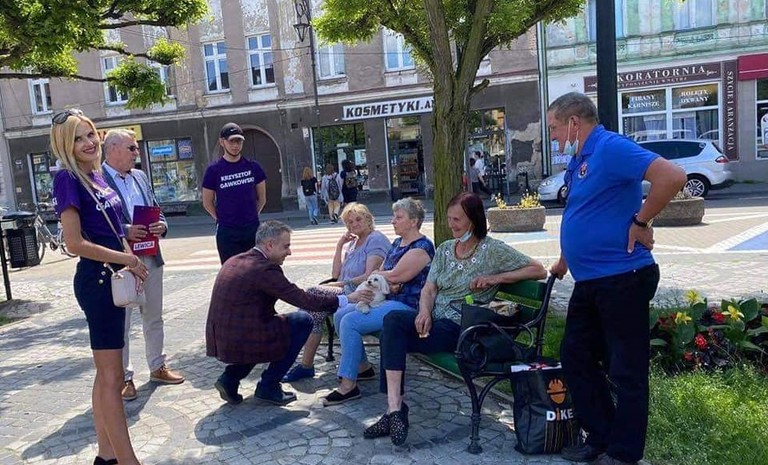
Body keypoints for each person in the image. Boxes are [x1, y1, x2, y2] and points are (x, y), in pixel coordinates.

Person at [547, 92, 686, 465]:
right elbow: (585, 210)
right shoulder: (580, 159)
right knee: (575, 356)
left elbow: (672, 176)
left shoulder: (609, 147)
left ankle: (624, 454)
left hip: (623, 277)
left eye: (555, 128)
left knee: (626, 369)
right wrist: (565, 258)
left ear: (574, 122)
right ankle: (600, 436)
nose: (553, 136)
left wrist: (641, 221)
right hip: (591, 280)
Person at [363, 192, 546, 445]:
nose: (451, 225)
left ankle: (393, 414)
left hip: (461, 329)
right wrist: (424, 311)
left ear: (473, 219)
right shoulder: (446, 249)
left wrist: (495, 278)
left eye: (457, 219)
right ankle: (395, 410)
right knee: (392, 323)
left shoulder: (491, 250)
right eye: (449, 219)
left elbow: (538, 269)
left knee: (392, 334)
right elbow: (429, 288)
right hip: (435, 322)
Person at [50, 109, 149, 465]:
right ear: (65, 144)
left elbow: (107, 226)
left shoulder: (95, 176)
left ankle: (106, 456)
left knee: (106, 375)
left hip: (111, 277)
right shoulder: (68, 179)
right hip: (98, 279)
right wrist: (128, 260)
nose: (88, 142)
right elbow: (74, 243)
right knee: (113, 376)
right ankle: (127, 460)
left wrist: (128, 238)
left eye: (90, 134)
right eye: (78, 138)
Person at [205, 220, 373, 406]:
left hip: (222, 337)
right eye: (286, 246)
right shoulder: (264, 269)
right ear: (269, 245)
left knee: (271, 326)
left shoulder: (235, 260)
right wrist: (346, 298)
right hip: (243, 337)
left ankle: (230, 379)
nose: (289, 252)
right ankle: (269, 385)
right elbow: (303, 299)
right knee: (302, 320)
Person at [321, 197, 435, 406]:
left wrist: (386, 277)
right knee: (340, 313)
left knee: (350, 322)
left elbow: (396, 275)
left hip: (407, 306)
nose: (393, 221)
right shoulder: (397, 243)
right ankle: (363, 368)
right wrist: (386, 278)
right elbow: (381, 273)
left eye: (398, 217)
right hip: (386, 299)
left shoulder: (422, 247)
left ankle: (348, 386)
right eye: (394, 216)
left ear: (413, 221)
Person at [102, 129, 185, 402]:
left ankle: (157, 366)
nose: (136, 153)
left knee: (154, 315)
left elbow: (155, 207)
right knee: (122, 323)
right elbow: (98, 223)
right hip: (121, 261)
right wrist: (126, 230)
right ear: (113, 149)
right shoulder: (98, 179)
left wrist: (162, 225)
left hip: (151, 255)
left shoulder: (140, 176)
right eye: (132, 148)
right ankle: (125, 378)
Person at [282, 203, 391, 382]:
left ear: (368, 219)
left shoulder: (375, 239)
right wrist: (340, 245)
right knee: (313, 312)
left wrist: (341, 283)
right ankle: (307, 366)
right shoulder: (354, 242)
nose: (354, 224)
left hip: (361, 292)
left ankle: (307, 365)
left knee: (312, 294)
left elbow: (369, 276)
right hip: (345, 290)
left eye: (358, 219)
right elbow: (335, 274)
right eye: (349, 222)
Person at [202, 122, 267, 264]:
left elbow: (262, 199)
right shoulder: (214, 170)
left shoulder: (253, 167)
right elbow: (207, 202)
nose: (235, 145)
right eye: (231, 141)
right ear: (222, 142)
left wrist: (252, 215)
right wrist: (221, 219)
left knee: (255, 270)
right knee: (232, 272)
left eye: (238, 141)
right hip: (227, 232)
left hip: (252, 229)